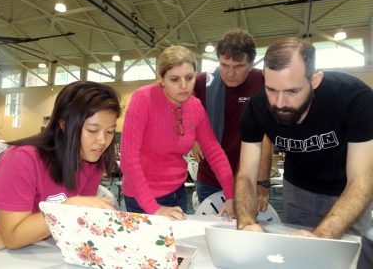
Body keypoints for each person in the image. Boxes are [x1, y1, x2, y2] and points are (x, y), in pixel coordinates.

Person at [235, 37, 373, 266]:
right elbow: (246, 175)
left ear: (315, 80)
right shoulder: (256, 108)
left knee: (353, 259)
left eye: (292, 91)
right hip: (298, 189)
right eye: (271, 89)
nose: (279, 102)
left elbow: (361, 180)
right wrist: (247, 223)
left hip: (347, 191)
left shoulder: (355, 99)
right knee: (297, 259)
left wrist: (321, 238)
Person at [0, 81, 121, 255]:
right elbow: (13, 236)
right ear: (64, 125)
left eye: (110, 131)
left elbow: (76, 221)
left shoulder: (93, 161)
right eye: (92, 130)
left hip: (22, 243)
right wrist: (66, 208)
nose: (102, 141)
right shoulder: (23, 158)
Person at [120, 45, 234, 220]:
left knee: (177, 246)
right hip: (142, 196)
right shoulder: (143, 99)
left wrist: (230, 195)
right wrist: (154, 207)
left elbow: (214, 152)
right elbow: (129, 159)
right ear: (162, 79)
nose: (184, 86)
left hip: (177, 193)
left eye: (189, 78)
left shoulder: (195, 106)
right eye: (174, 79)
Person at [192, 30, 272, 210]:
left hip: (250, 177)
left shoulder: (265, 82)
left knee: (247, 232)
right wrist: (193, 137)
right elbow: (180, 110)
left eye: (238, 66)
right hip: (211, 177)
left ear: (251, 64)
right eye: (224, 65)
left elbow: (267, 137)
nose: (229, 73)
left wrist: (262, 182)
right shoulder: (204, 82)